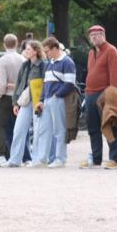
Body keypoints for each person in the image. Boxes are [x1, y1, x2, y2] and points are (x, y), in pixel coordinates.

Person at [82, 25, 117, 168]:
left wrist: (111, 95)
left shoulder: (111, 50)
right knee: (93, 128)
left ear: (103, 35)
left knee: (108, 126)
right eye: (92, 35)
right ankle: (96, 158)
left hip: (104, 93)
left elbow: (114, 75)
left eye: (97, 34)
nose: (94, 37)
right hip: (90, 93)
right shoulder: (91, 52)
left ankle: (114, 159)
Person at [5, 40, 46, 167]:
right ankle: (14, 160)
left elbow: (46, 83)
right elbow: (18, 84)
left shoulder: (43, 65)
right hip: (25, 100)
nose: (26, 51)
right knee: (18, 129)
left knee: (38, 130)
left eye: (28, 49)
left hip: (37, 101)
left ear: (35, 51)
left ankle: (36, 159)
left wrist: (42, 100)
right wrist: (15, 102)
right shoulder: (25, 65)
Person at [38, 38, 78, 168]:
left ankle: (60, 158)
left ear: (55, 48)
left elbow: (70, 83)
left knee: (59, 129)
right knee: (44, 130)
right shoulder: (50, 62)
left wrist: (57, 95)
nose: (46, 53)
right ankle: (43, 158)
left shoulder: (67, 62)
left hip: (58, 99)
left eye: (47, 51)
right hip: (49, 99)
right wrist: (41, 100)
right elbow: (45, 83)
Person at [0, 34, 24, 167]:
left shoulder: (3, 60)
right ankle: (18, 155)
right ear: (17, 44)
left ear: (4, 44)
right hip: (20, 96)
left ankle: (1, 154)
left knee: (1, 126)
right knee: (18, 126)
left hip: (6, 97)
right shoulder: (23, 59)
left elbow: (2, 83)